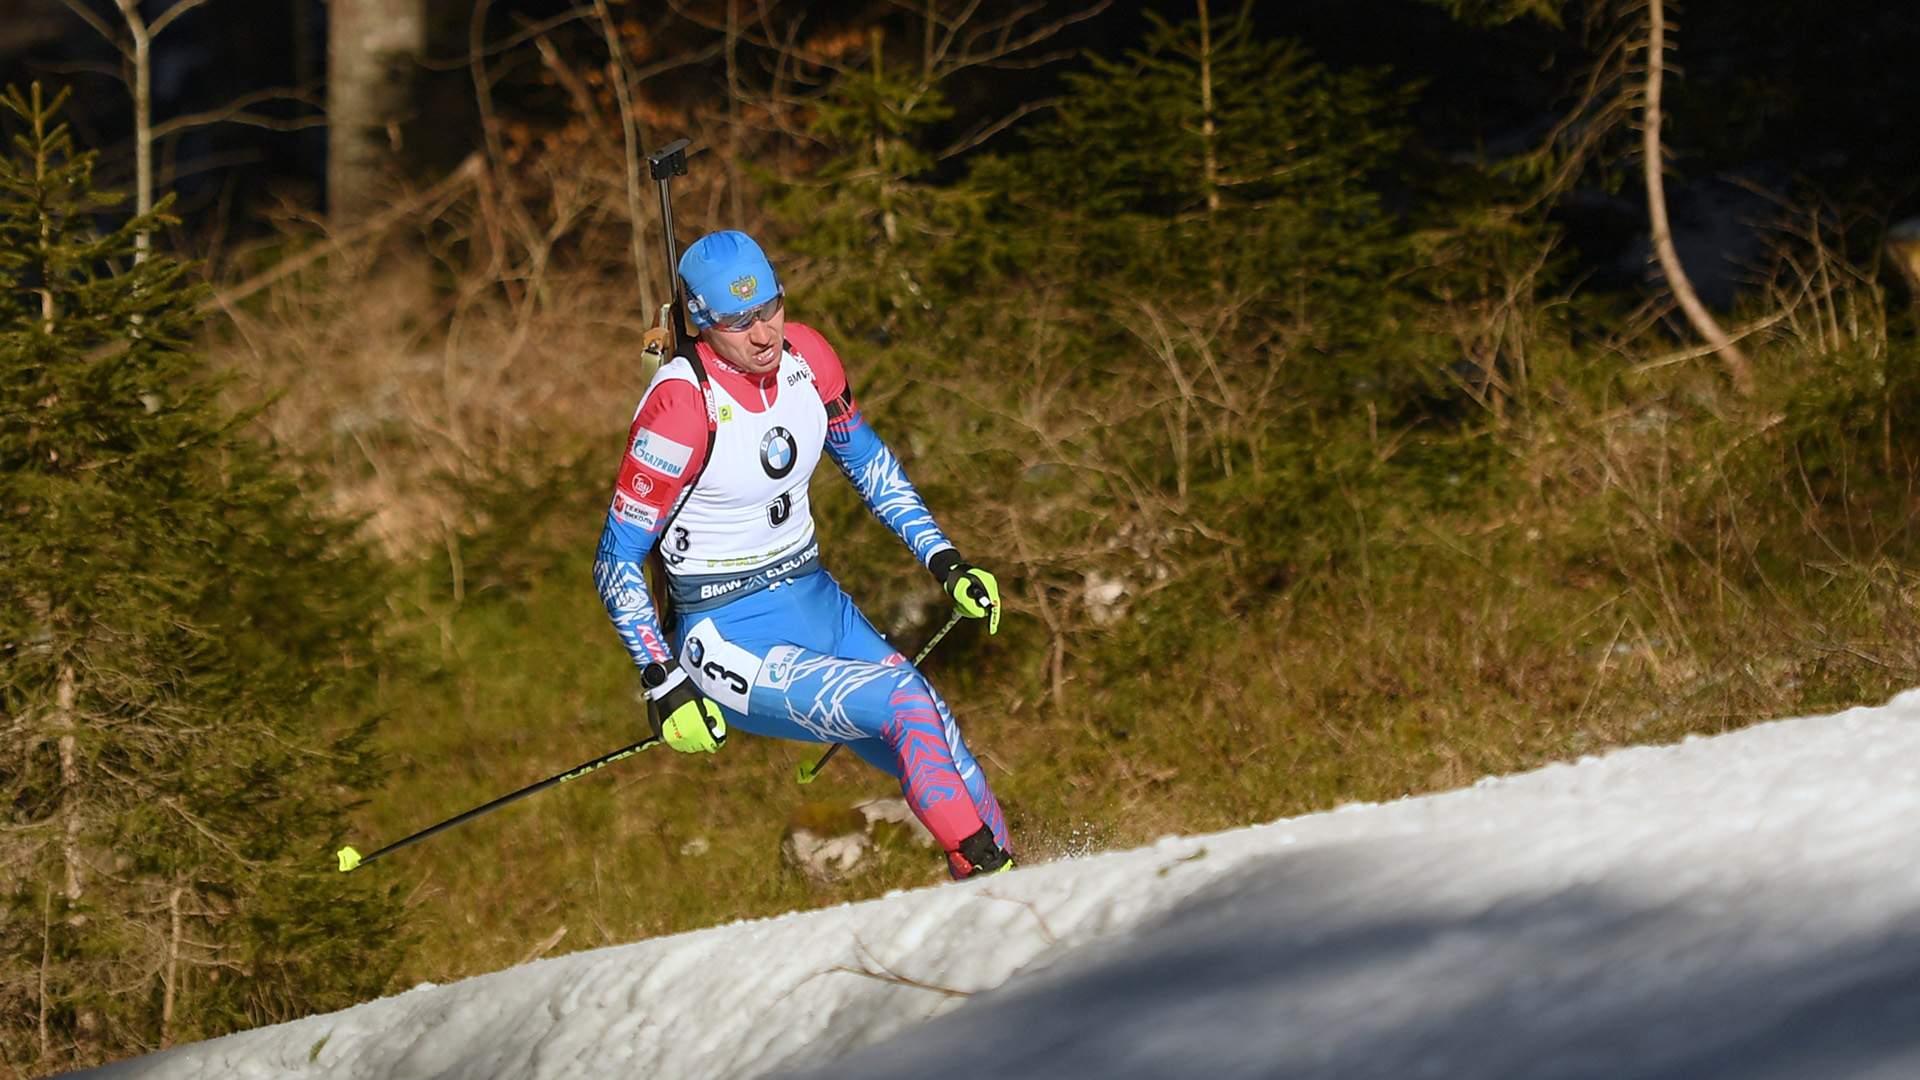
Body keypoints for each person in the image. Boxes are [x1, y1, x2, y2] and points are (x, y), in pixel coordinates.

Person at [593, 229, 1015, 878]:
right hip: (726, 632)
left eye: (771, 308)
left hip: (816, 598)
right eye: (739, 321)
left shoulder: (808, 356)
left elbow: (868, 463)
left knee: (932, 727)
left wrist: (944, 560)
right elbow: (616, 559)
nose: (764, 333)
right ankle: (985, 872)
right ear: (703, 325)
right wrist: (662, 681)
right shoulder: (681, 404)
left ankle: (1005, 895)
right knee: (904, 701)